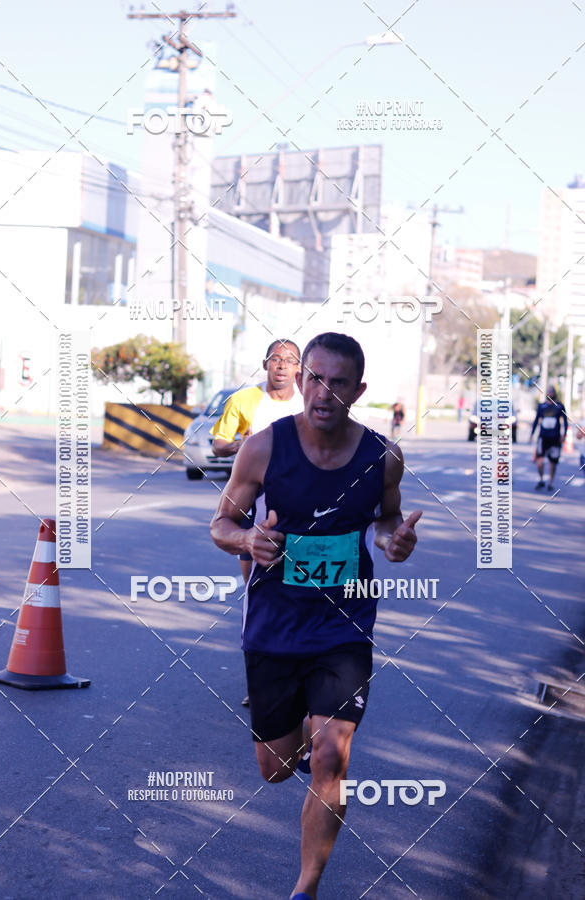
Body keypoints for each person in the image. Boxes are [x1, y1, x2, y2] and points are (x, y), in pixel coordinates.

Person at [210, 332, 422, 900]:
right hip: (275, 626)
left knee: (331, 752)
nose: (322, 392)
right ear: (300, 379)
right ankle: (300, 736)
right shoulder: (263, 447)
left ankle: (306, 889)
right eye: (314, 377)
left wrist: (392, 540)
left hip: (343, 626)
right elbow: (220, 526)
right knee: (276, 768)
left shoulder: (383, 456)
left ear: (359, 390)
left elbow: (385, 521)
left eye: (338, 382)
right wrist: (247, 540)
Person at [211, 338, 303, 707]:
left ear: (300, 368)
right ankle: (260, 679)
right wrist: (242, 445)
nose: (281, 365)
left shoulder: (308, 401)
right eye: (275, 359)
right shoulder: (245, 400)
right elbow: (218, 443)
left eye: (290, 360)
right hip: (253, 499)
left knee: (301, 589)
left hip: (301, 504)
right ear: (265, 364)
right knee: (256, 590)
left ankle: (302, 673)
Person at [529, 385, 568, 492]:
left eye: (552, 392)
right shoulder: (541, 406)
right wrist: (531, 435)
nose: (550, 394)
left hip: (555, 438)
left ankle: (551, 481)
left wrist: (564, 436)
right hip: (543, 437)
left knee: (553, 462)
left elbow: (565, 422)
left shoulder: (559, 406)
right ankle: (541, 479)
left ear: (555, 393)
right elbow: (536, 421)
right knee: (540, 461)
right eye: (549, 392)